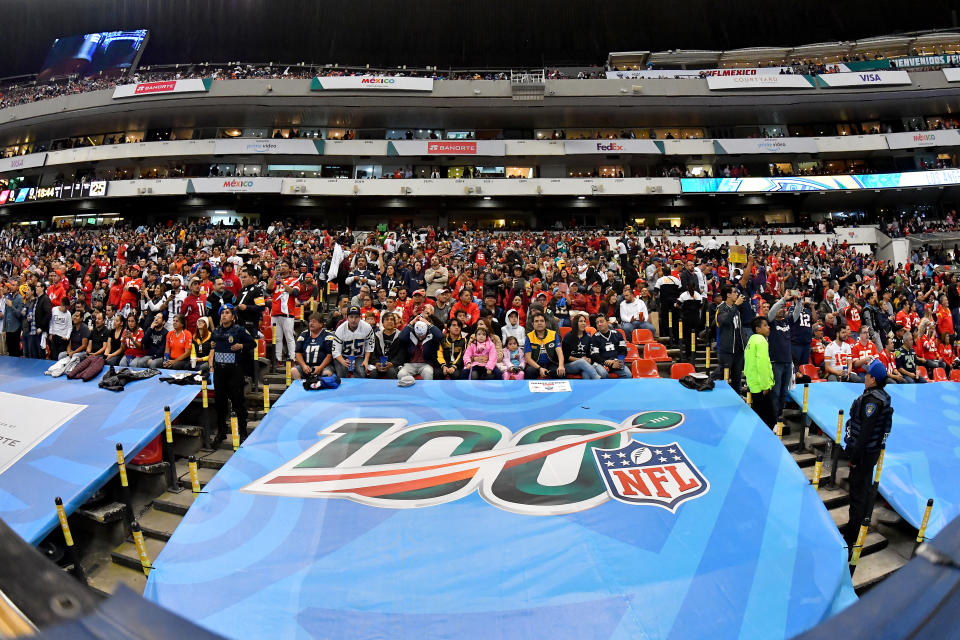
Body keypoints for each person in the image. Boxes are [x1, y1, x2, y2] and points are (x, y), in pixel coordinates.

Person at [842, 359, 893, 549]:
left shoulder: (872, 401)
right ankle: (859, 527)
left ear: (874, 380)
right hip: (871, 453)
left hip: (863, 455)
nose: (865, 377)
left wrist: (854, 459)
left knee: (857, 495)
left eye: (868, 375)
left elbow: (864, 433)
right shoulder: (881, 397)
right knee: (864, 490)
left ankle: (851, 536)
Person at [210, 305, 256, 447]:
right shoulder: (216, 331)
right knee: (220, 404)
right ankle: (221, 432)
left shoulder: (239, 330)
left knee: (238, 403)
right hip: (219, 371)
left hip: (234, 371)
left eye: (227, 313)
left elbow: (252, 343)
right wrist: (211, 348)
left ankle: (242, 432)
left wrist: (241, 346)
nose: (224, 315)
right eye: (222, 313)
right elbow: (211, 348)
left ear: (233, 316)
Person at [744, 316, 776, 428]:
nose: (768, 328)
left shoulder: (751, 340)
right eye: (765, 325)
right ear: (758, 329)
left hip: (753, 383)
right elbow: (762, 364)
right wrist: (765, 385)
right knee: (768, 421)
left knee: (758, 416)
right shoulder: (761, 341)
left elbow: (747, 363)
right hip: (761, 386)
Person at [768, 294, 795, 419]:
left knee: (784, 391)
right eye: (780, 307)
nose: (782, 309)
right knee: (776, 391)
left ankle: (779, 414)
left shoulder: (787, 321)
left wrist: (799, 302)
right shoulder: (771, 322)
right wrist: (783, 299)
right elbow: (771, 312)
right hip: (776, 361)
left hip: (788, 362)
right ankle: (773, 415)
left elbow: (796, 314)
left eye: (783, 307)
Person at [715, 286, 746, 392]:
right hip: (727, 350)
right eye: (734, 292)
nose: (737, 294)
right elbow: (726, 321)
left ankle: (737, 400)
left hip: (738, 350)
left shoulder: (736, 309)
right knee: (724, 379)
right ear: (728, 295)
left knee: (737, 380)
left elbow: (739, 328)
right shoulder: (721, 308)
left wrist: (744, 344)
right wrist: (736, 306)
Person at [332, 305, 374, 378]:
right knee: (341, 374)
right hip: (343, 356)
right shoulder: (340, 329)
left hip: (359, 356)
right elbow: (335, 351)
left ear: (360, 317)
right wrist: (343, 361)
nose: (353, 320)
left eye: (356, 317)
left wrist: (366, 360)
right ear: (347, 317)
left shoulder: (367, 327)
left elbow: (369, 346)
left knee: (361, 373)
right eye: (351, 317)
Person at [293, 312, 335, 380]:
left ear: (321, 324)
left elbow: (329, 355)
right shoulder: (304, 334)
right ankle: (301, 389)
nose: (311, 323)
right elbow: (298, 352)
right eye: (310, 321)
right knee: (294, 371)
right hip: (307, 366)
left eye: (314, 322)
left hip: (323, 366)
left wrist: (320, 367)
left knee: (327, 373)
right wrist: (304, 366)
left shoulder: (328, 335)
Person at [524, 312, 565, 379]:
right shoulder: (529, 336)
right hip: (536, 365)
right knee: (529, 371)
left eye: (542, 321)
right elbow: (528, 358)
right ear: (533, 324)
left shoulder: (553, 334)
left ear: (545, 323)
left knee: (561, 372)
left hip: (551, 363)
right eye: (536, 321)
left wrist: (561, 366)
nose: (539, 323)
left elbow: (559, 352)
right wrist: (540, 368)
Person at [562, 314, 600, 379]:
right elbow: (565, 356)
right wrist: (580, 360)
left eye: (584, 321)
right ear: (575, 323)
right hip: (569, 365)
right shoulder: (568, 337)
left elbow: (590, 354)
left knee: (586, 374)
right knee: (581, 362)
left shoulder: (588, 338)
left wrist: (589, 360)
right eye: (581, 321)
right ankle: (598, 379)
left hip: (585, 365)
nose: (583, 323)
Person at [371, 312, 406, 379]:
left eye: (392, 319)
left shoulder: (401, 336)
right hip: (379, 364)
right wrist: (376, 363)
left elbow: (402, 354)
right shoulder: (376, 336)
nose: (389, 321)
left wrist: (391, 364)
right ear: (383, 323)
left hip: (394, 365)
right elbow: (372, 353)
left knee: (391, 372)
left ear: (395, 323)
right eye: (387, 319)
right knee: (373, 373)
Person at [676, 282, 702, 363]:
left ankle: (688, 354)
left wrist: (683, 308)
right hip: (696, 318)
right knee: (694, 336)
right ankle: (693, 353)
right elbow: (701, 306)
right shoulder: (698, 295)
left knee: (687, 337)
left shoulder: (683, 295)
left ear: (687, 287)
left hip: (687, 318)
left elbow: (677, 305)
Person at [2, 283, 25, 357]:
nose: (12, 286)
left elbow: (19, 314)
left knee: (15, 350)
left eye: (14, 285)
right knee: (9, 350)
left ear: (18, 286)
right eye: (12, 285)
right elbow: (6, 313)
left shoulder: (20, 298)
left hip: (15, 328)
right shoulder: (9, 298)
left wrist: (12, 306)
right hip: (8, 328)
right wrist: (4, 329)